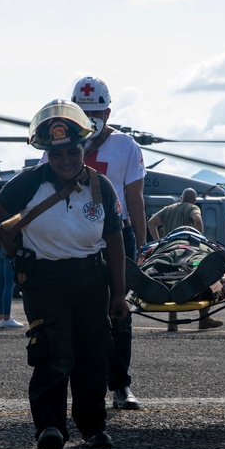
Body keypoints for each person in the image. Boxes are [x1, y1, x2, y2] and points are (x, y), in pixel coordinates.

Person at [0, 100, 126, 449]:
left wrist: (118, 294)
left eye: (73, 151)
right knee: (53, 351)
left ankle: (94, 427)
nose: (66, 159)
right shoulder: (29, 183)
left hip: (92, 279)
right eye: (57, 153)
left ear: (84, 149)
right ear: (47, 153)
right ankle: (50, 427)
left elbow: (114, 240)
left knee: (94, 354)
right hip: (45, 279)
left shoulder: (102, 187)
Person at [70, 76, 146, 410]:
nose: (91, 117)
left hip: (118, 236)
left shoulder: (127, 146)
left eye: (97, 111)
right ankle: (89, 388)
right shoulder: (61, 141)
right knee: (81, 314)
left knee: (119, 311)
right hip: (74, 236)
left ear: (109, 111)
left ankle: (120, 386)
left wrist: (143, 248)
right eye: (84, 111)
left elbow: (136, 200)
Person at [145, 188, 223, 329]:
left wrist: (160, 241)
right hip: (190, 248)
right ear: (193, 200)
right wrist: (199, 238)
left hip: (169, 248)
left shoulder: (168, 208)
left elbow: (151, 222)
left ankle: (172, 321)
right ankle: (204, 318)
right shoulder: (192, 207)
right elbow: (197, 219)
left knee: (167, 273)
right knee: (202, 272)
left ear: (181, 198)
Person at [126, 226, 225, 305]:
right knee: (199, 264)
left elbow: (143, 259)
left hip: (166, 249)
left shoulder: (159, 244)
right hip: (198, 249)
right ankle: (202, 288)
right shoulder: (210, 244)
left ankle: (149, 279)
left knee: (155, 263)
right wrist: (224, 277)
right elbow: (219, 266)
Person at [0, 223, 24, 328]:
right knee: (9, 284)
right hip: (8, 246)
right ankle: (6, 318)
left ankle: (1, 318)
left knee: (2, 284)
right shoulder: (12, 210)